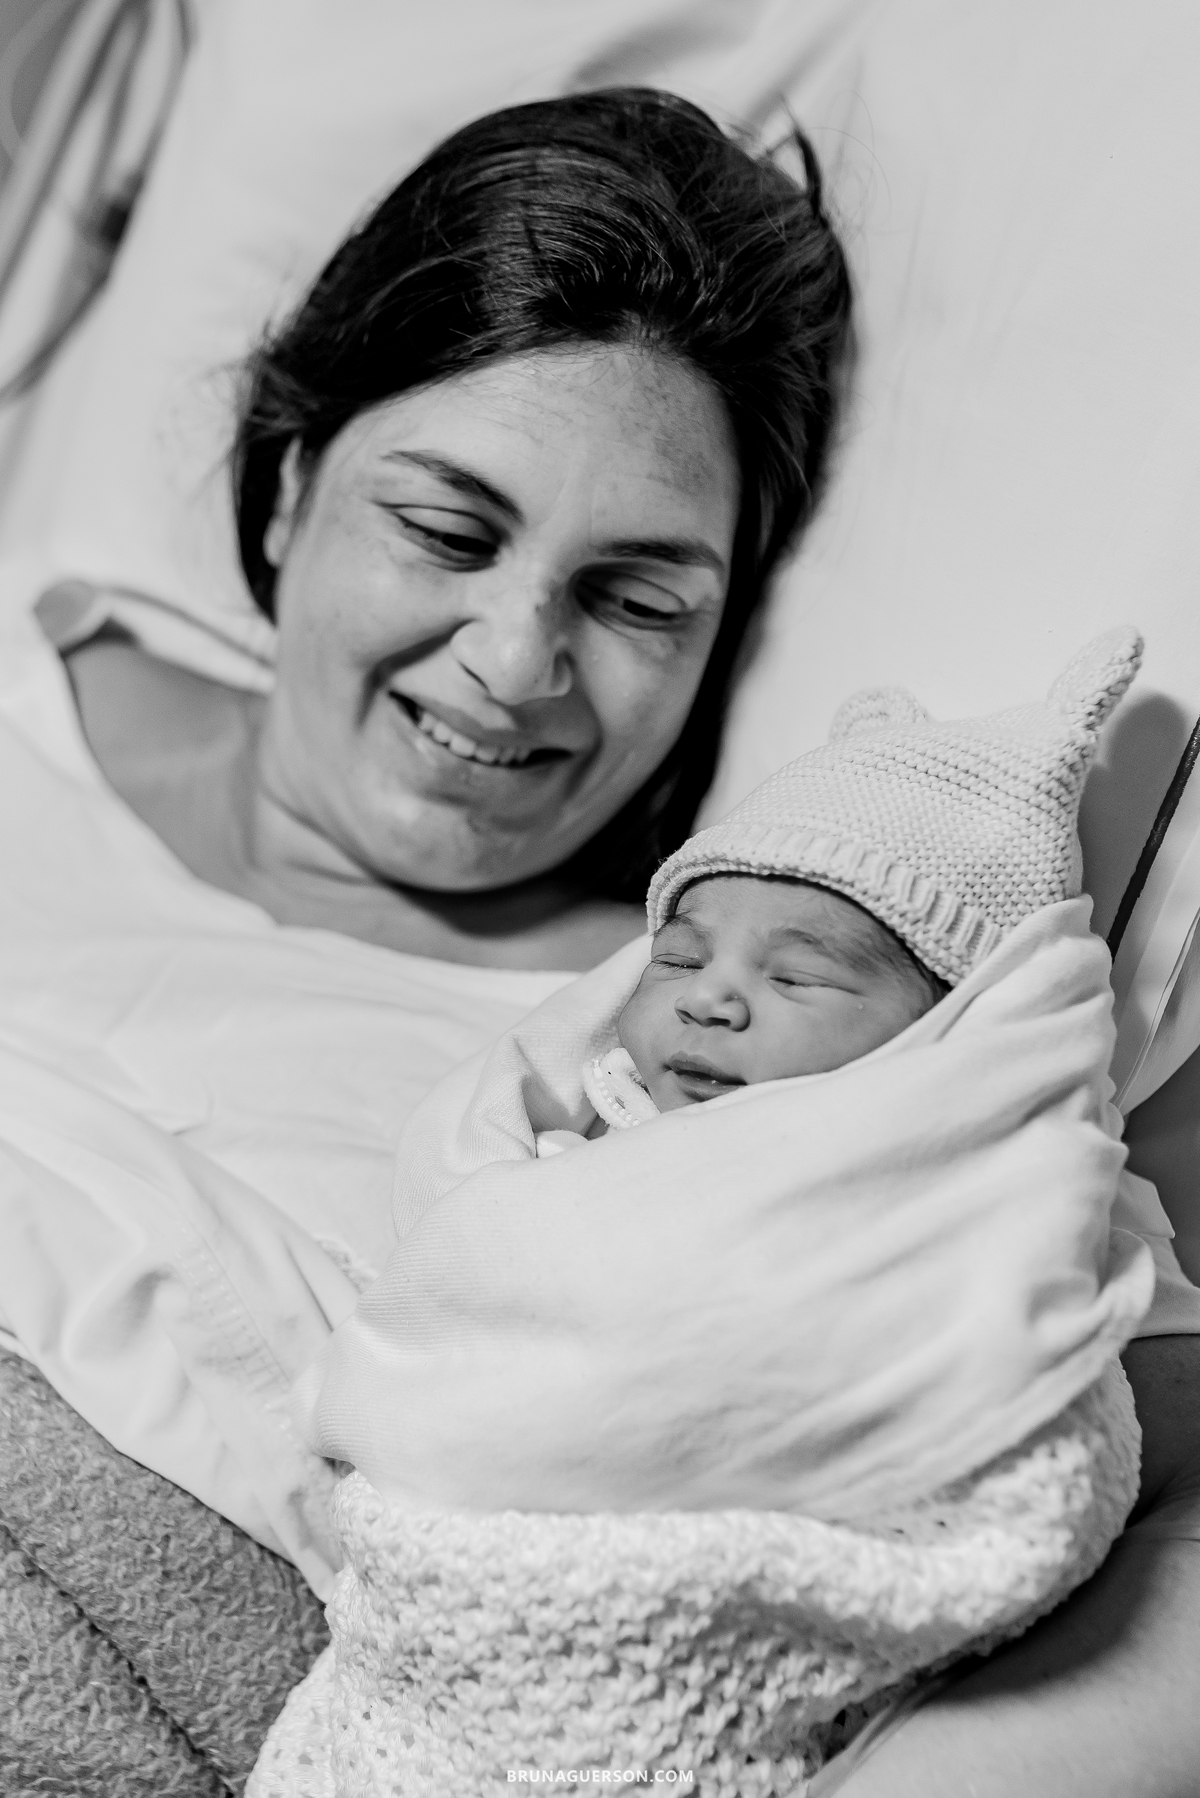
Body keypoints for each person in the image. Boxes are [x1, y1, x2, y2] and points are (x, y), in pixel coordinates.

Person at [0, 83, 1194, 1798]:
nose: (513, 661)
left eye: (637, 599)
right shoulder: (22, 681)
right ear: (285, 491)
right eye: (448, 527)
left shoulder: (707, 1058)